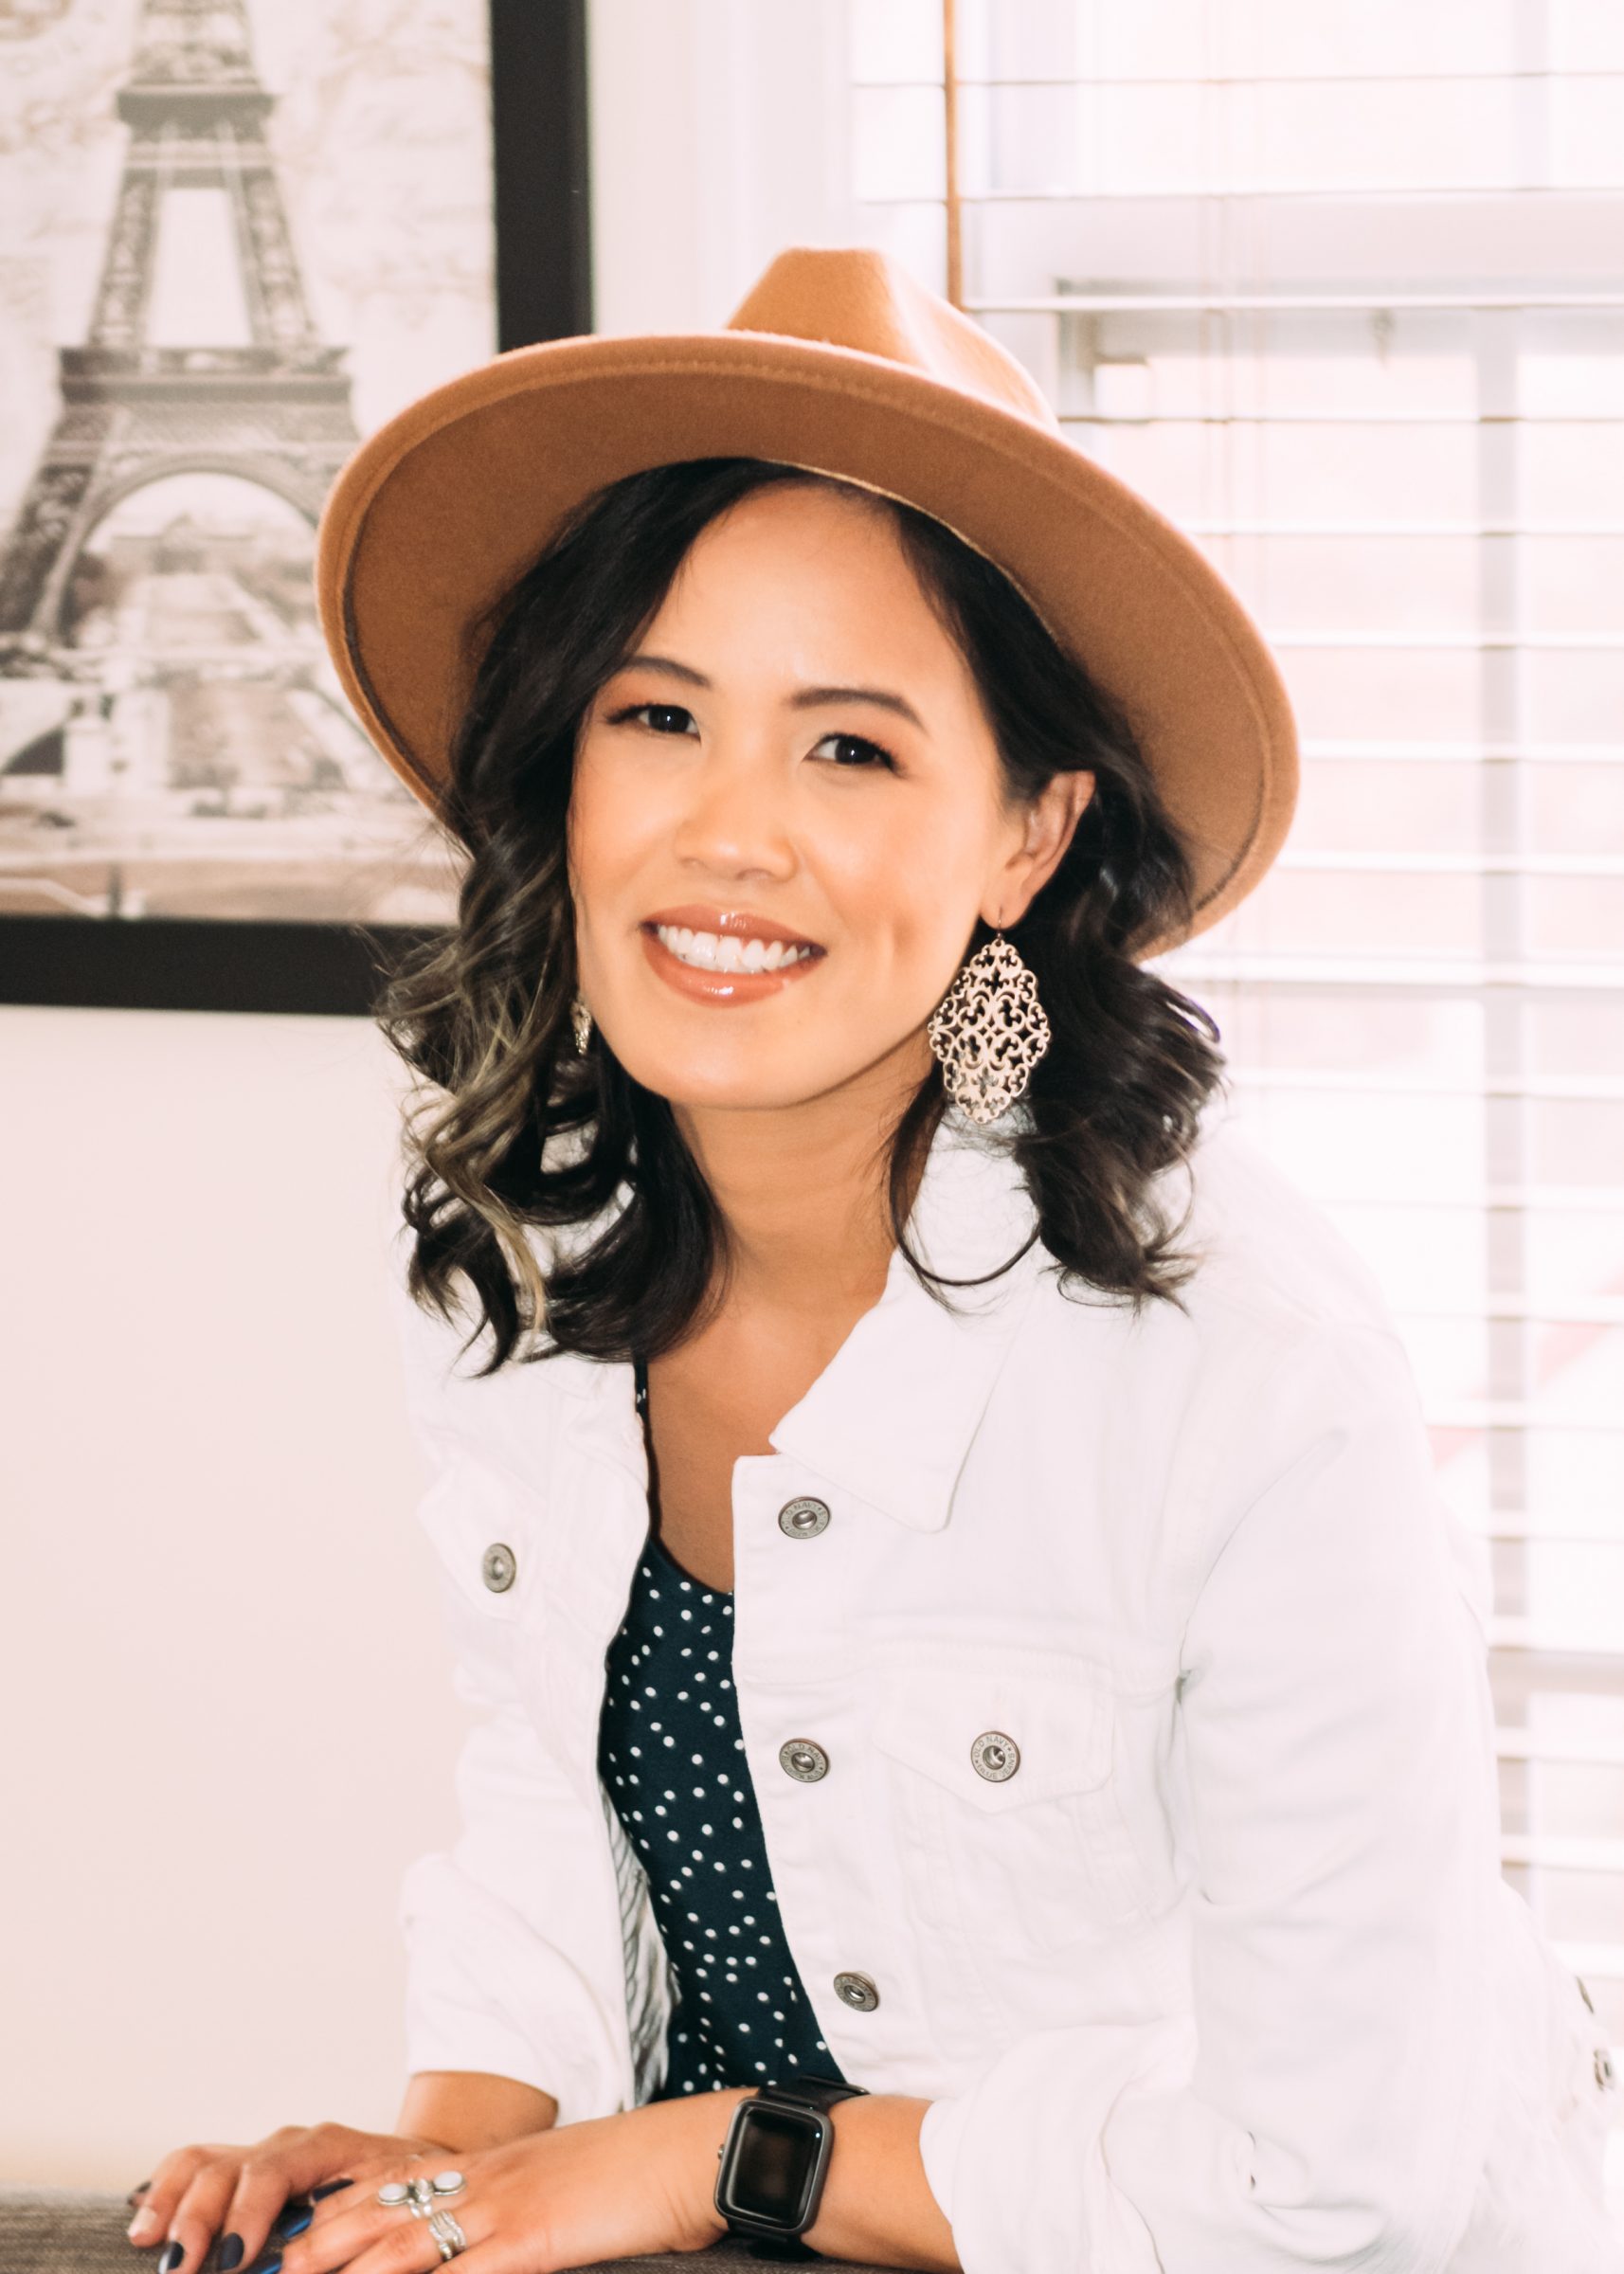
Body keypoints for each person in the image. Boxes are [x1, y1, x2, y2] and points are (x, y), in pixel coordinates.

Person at [124, 246, 1620, 2274]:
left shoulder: (1243, 1362)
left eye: (847, 748)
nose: (728, 833)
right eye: (659, 716)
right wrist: (435, 2175)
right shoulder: (532, 1249)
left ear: (1025, 837)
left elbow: (1336, 2187)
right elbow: (545, 1801)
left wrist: (719, 2158)